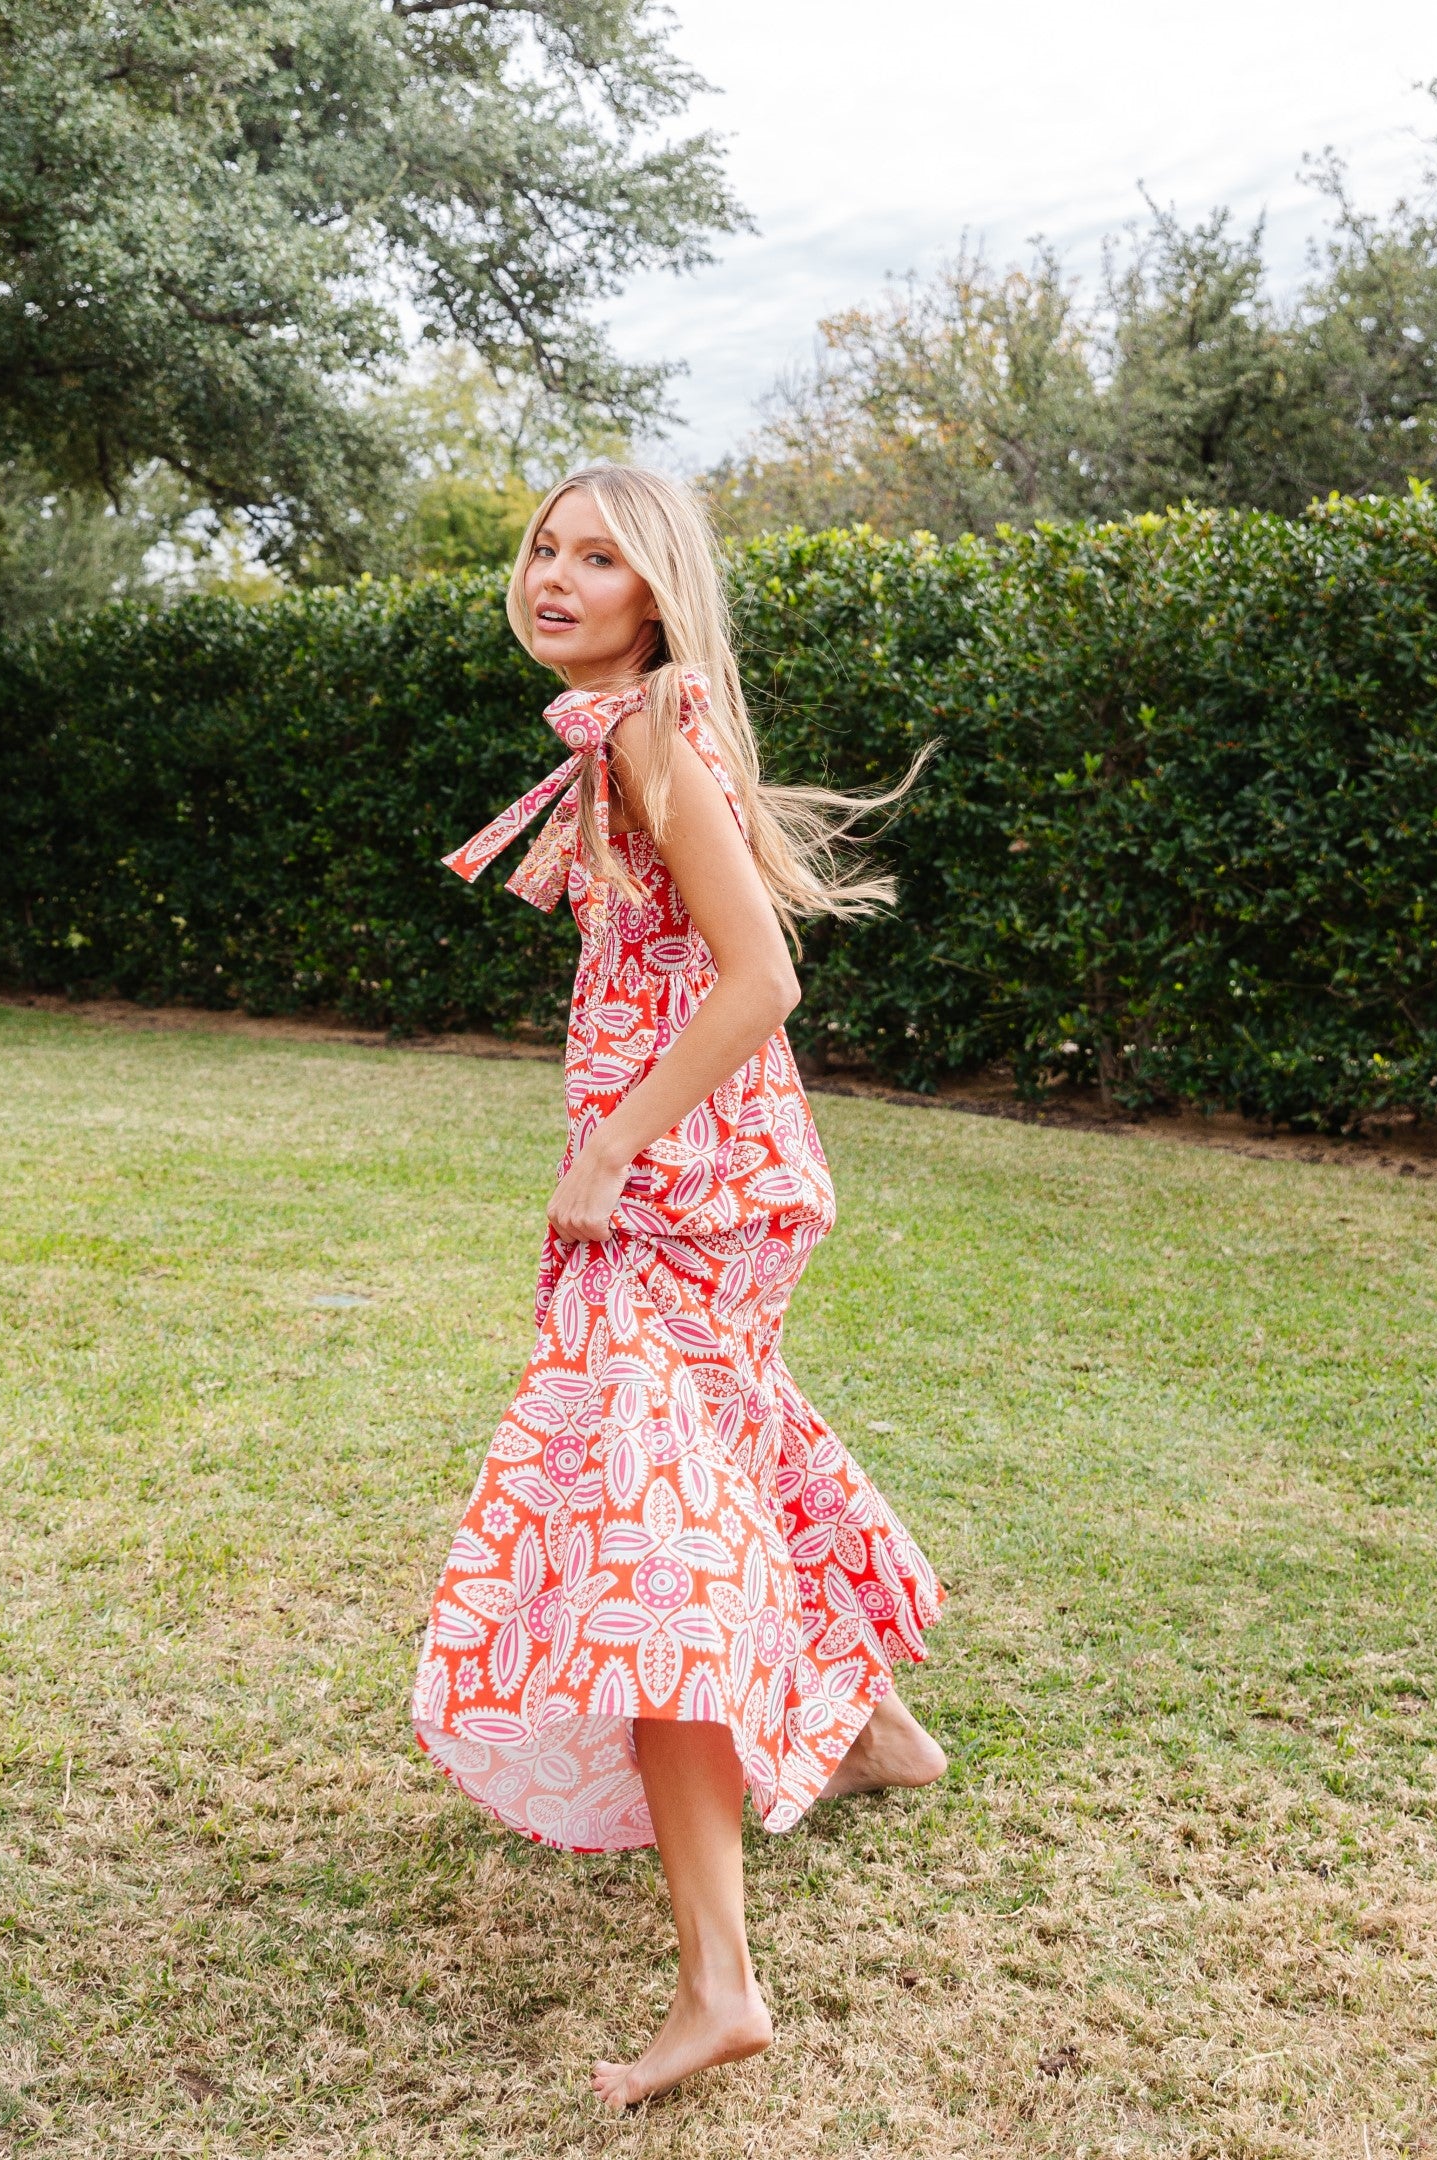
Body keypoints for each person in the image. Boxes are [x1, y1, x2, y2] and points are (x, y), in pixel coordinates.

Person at [411, 465, 950, 2109]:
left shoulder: (644, 735)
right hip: (712, 1182)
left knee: (649, 1551)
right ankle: (869, 1731)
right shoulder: (620, 735)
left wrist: (608, 1154)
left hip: (683, 1195)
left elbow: (762, 976)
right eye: (543, 551)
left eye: (599, 560)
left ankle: (720, 1984)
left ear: (657, 596)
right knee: (715, 1461)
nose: (555, 579)